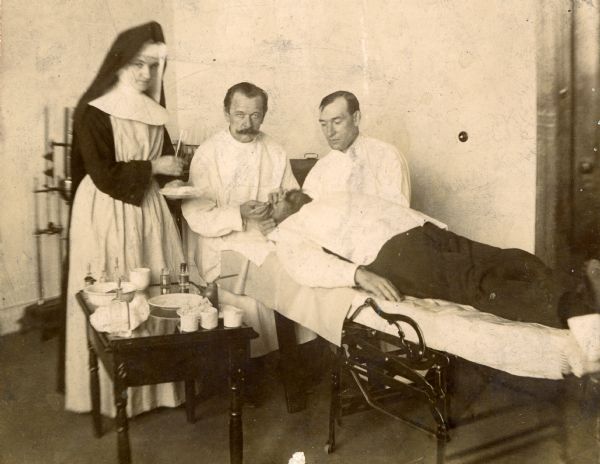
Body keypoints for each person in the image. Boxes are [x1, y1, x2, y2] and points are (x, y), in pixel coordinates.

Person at [267, 190, 600, 344]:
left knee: (507, 258)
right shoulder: (289, 230)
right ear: (276, 216)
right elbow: (304, 264)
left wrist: (435, 227)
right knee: (482, 286)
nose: (279, 193)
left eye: (280, 192)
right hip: (397, 255)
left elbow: (386, 205)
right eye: (274, 200)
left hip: (424, 232)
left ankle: (581, 289)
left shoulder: (331, 197)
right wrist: (358, 274)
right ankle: (578, 309)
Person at [65, 22, 186, 416]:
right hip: (106, 210)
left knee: (154, 290)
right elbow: (103, 175)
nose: (145, 74)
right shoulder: (94, 112)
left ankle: (161, 389)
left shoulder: (154, 112)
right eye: (137, 64)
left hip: (147, 210)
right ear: (119, 63)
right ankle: (116, 395)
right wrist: (155, 166)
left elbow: (165, 166)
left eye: (152, 66)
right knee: (116, 294)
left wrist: (176, 172)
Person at [182, 82, 304, 360]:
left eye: (255, 116)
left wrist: (282, 205)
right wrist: (240, 213)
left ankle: (292, 360)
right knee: (270, 280)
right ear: (226, 113)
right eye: (240, 115)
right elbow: (196, 215)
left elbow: (293, 202)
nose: (248, 124)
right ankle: (253, 366)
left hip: (266, 237)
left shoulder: (274, 150)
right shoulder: (208, 153)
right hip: (223, 245)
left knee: (300, 268)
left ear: (264, 114)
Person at [302, 91, 411, 206]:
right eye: (324, 124)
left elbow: (399, 215)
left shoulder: (387, 156)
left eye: (337, 122)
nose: (329, 132)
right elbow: (305, 216)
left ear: (356, 118)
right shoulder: (321, 167)